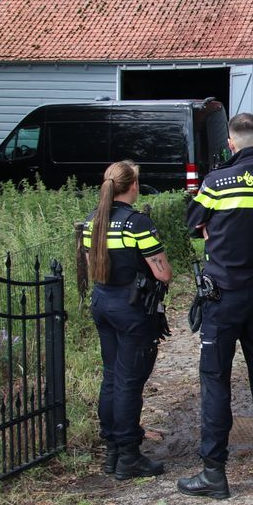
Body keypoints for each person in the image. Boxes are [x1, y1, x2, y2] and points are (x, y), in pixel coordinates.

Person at [179, 113, 253, 500]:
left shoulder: (215, 182)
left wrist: (211, 226)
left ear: (230, 143)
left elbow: (194, 223)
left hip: (223, 293)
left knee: (215, 379)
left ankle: (214, 471)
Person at [83, 160, 173, 480]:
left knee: (111, 377)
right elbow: (162, 272)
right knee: (128, 383)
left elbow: (92, 265)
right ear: (133, 186)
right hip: (132, 310)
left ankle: (112, 453)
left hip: (102, 304)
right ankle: (129, 456)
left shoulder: (92, 222)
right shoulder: (138, 224)